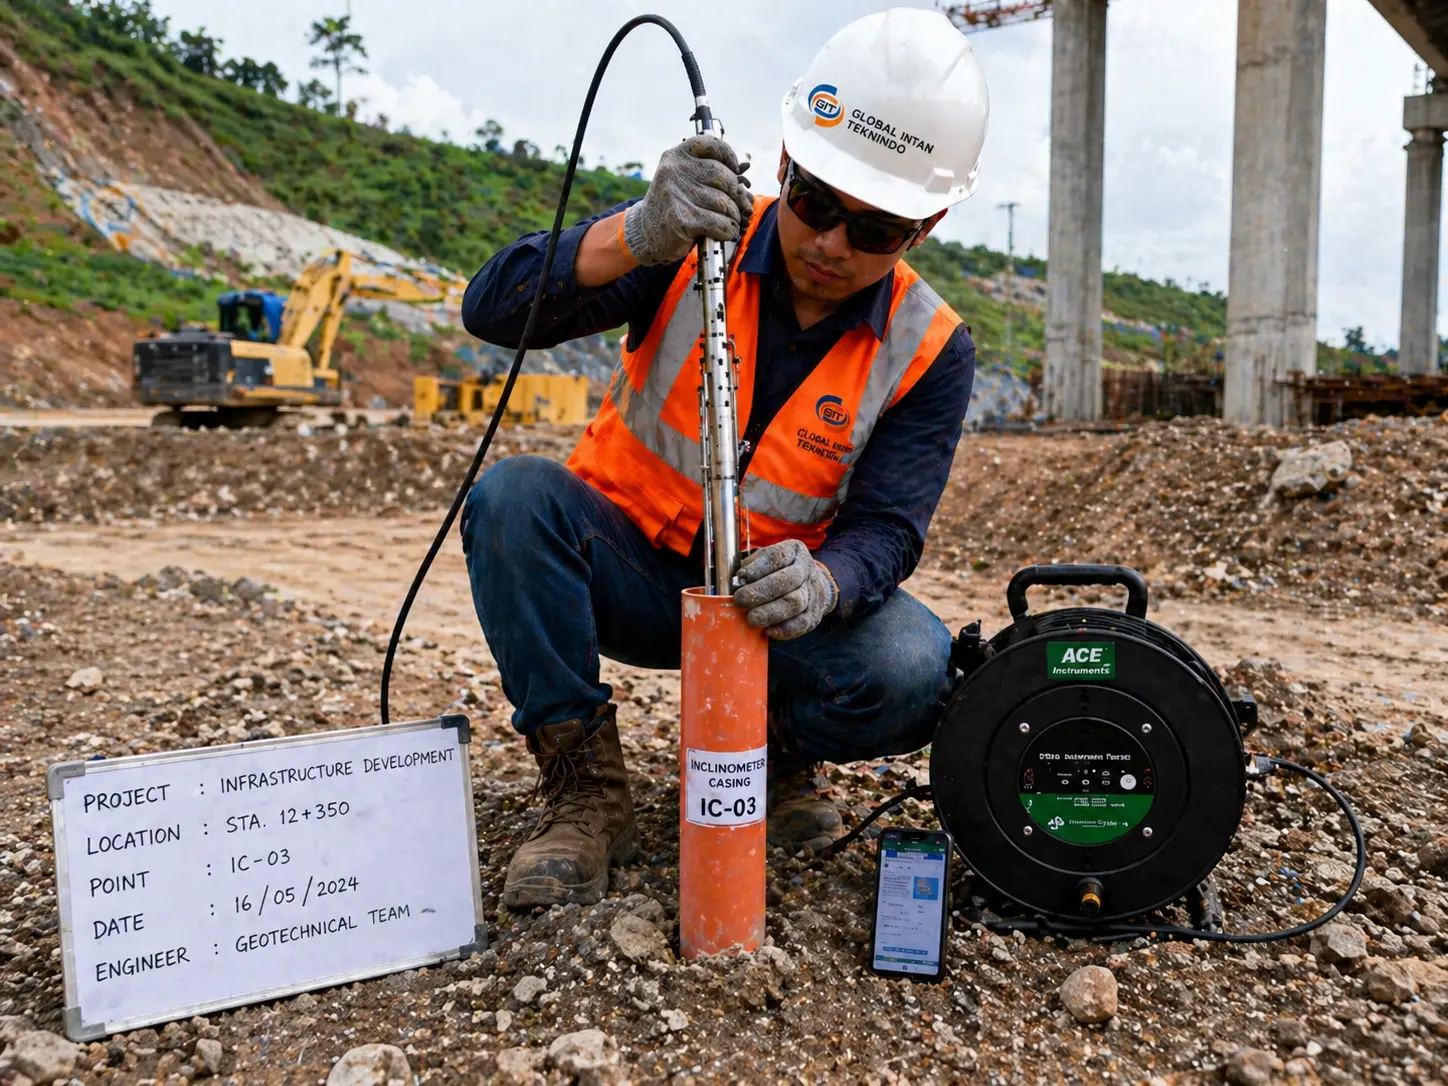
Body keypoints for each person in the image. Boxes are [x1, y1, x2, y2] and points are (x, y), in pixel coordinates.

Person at [460, 7, 991, 908]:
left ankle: (783, 759)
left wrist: (826, 583)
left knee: (911, 663)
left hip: (770, 614)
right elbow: (492, 311)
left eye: (873, 230)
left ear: (925, 224)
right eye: (816, 203)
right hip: (624, 570)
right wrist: (633, 235)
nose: (829, 243)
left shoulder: (930, 346)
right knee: (513, 500)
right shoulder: (692, 234)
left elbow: (889, 528)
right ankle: (587, 794)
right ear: (785, 166)